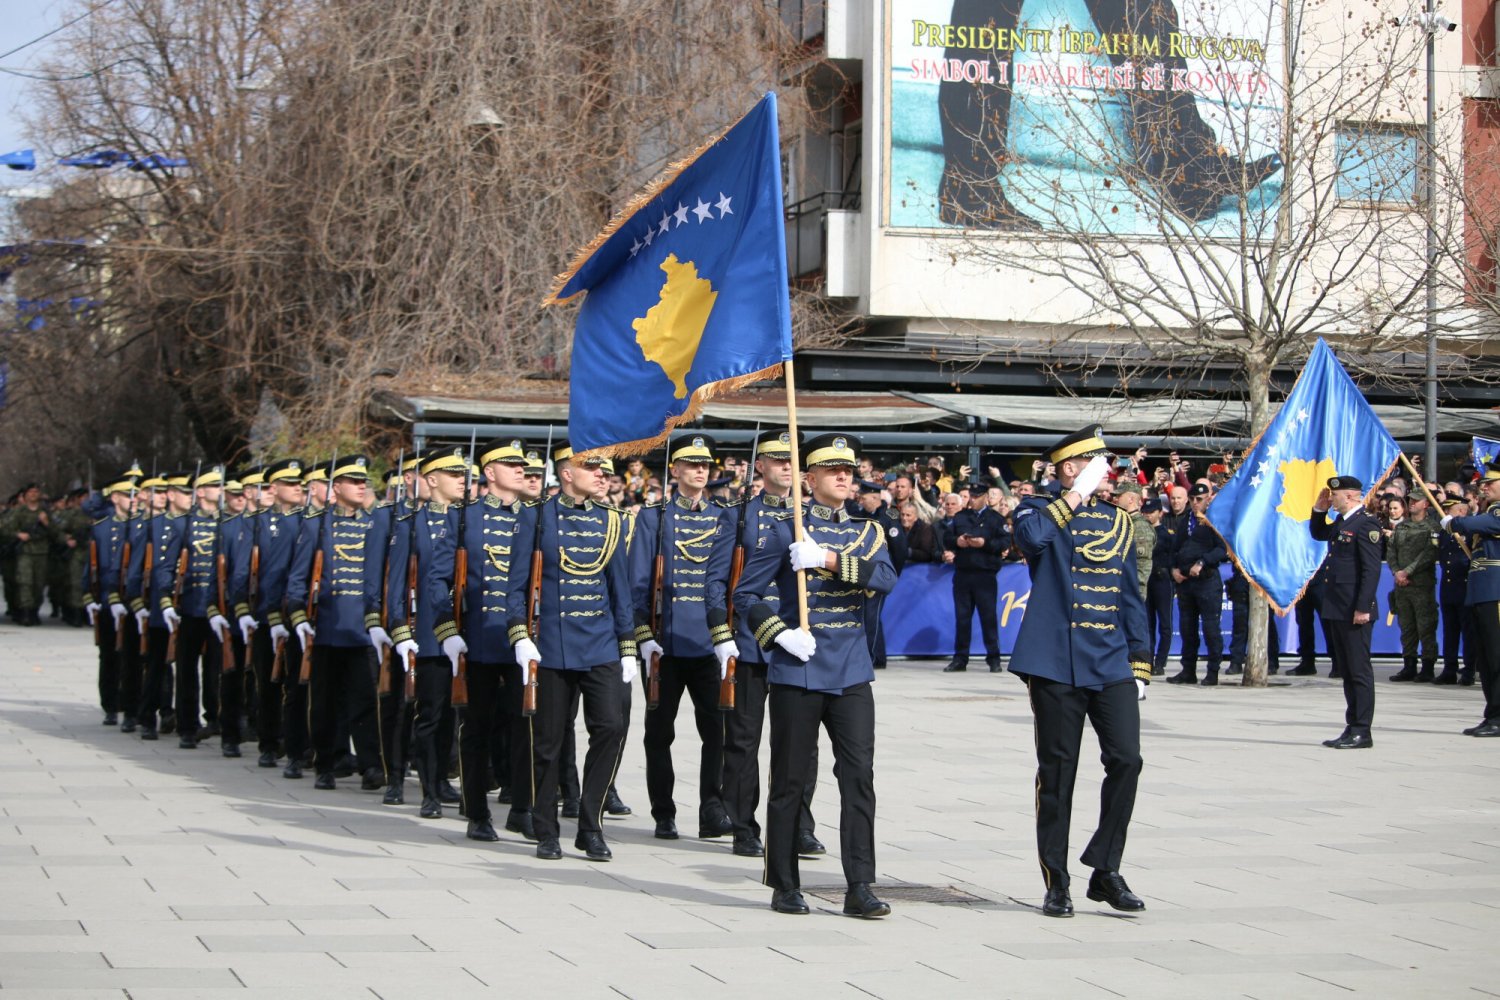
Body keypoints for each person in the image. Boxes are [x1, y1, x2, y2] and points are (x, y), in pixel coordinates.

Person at [734, 432, 898, 918]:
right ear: (810, 478)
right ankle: (784, 882)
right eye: (832, 469)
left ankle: (860, 885)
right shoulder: (787, 528)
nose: (845, 476)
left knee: (858, 779)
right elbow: (746, 595)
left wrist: (826, 559)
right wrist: (778, 634)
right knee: (789, 780)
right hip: (798, 668)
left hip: (849, 670)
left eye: (849, 470)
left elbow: (886, 578)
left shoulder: (870, 532)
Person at [1008, 424, 1150, 918]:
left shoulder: (1120, 522)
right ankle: (1057, 880)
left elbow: (1131, 594)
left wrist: (1140, 662)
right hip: (1054, 662)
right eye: (1095, 464)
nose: (1107, 472)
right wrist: (1073, 495)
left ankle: (1105, 869)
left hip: (1109, 659)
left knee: (1127, 760)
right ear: (1071, 467)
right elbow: (1031, 540)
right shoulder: (1036, 510)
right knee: (1058, 773)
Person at [505, 442, 636, 862]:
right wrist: (520, 635)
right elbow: (516, 586)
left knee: (611, 728)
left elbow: (620, 591)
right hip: (553, 646)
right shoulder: (536, 516)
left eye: (605, 469)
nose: (602, 475)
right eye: (593, 468)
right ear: (566, 472)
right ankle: (545, 827)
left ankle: (591, 823)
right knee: (547, 741)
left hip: (599, 644)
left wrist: (627, 646)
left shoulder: (612, 522)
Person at [714, 429, 824, 860]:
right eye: (777, 459)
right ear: (759, 466)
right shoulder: (740, 516)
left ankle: (800, 824)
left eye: (793, 460)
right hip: (753, 642)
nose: (786, 466)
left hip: (799, 644)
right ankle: (744, 825)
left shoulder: (812, 516)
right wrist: (722, 636)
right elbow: (719, 582)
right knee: (743, 739)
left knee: (801, 741)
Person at [630, 434, 736, 842]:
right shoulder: (654, 517)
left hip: (710, 642)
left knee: (718, 730)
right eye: (691, 464)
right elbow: (639, 582)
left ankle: (713, 809)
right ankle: (663, 812)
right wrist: (643, 636)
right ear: (674, 470)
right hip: (666, 642)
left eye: (705, 464)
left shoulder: (724, 517)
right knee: (659, 732)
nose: (699, 470)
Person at [285, 455, 386, 789]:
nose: (361, 487)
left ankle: (371, 765)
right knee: (325, 704)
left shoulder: (374, 524)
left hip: (362, 629)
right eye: (353, 482)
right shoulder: (316, 524)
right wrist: (300, 619)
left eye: (364, 482)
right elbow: (297, 580)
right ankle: (325, 763)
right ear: (336, 487)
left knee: (365, 701)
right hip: (327, 629)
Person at [1309, 475, 1383, 749]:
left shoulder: (1366, 524)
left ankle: (1363, 729)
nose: (1333, 498)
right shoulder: (1343, 522)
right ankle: (1352, 726)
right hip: (1338, 605)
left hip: (1354, 607)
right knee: (1347, 671)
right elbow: (1318, 533)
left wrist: (1363, 607)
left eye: (1336, 495)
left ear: (1351, 496)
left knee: (1358, 670)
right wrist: (1319, 510)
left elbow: (1371, 569)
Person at [1442, 468, 1500, 736]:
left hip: (1495, 593)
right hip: (1481, 592)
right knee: (1486, 659)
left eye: (1490, 483)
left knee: (1496, 657)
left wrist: (1455, 523)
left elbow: (1477, 524)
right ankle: (1492, 714)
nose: (1484, 487)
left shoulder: (1495, 514)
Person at [81, 472, 139, 726]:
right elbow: (91, 566)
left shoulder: (140, 526)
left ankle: (130, 707)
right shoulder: (101, 528)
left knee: (132, 656)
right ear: (115, 498)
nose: (134, 500)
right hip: (106, 599)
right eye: (128, 495)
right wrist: (89, 596)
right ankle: (110, 705)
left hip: (132, 601)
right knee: (108, 655)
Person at [941, 480, 1010, 672]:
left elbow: (1004, 542)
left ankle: (993, 658)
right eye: (971, 496)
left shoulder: (995, 519)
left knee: (988, 617)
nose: (973, 500)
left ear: (986, 497)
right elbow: (946, 537)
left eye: (977, 496)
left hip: (985, 574)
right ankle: (960, 658)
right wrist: (957, 542)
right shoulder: (961, 517)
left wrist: (985, 543)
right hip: (964, 572)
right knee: (962, 618)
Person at [1166, 483, 1227, 686]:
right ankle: (1188, 670)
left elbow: (1222, 549)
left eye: (1199, 499)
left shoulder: (1214, 520)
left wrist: (1203, 562)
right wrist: (1174, 569)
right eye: (1192, 499)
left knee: (1211, 628)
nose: (1194, 503)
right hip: (1186, 583)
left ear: (1208, 499)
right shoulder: (1186, 521)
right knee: (1187, 628)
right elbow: (1175, 549)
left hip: (1207, 581)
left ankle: (1213, 671)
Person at [1384, 494, 1440, 683]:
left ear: (1426, 504)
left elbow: (1428, 554)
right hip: (1402, 586)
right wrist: (1396, 572)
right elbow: (1391, 551)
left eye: (1416, 500)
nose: (1412, 503)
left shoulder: (1432, 527)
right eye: (1410, 500)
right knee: (1406, 627)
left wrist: (1407, 572)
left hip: (1421, 585)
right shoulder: (1402, 527)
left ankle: (1428, 665)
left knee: (1425, 626)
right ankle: (1409, 664)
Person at [854, 480, 908, 669]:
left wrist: (891, 573)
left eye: (865, 497)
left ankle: (873, 657)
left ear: (875, 497)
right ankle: (872, 655)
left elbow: (899, 548)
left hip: (877, 574)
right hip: (861, 573)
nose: (861, 500)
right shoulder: (859, 515)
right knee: (863, 615)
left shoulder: (888, 515)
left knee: (871, 616)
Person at [1435, 497, 1474, 686]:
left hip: (1465, 586)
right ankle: (1449, 668)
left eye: (1449, 510)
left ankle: (1469, 670)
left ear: (1461, 512)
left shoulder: (1470, 530)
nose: (1445, 512)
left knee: (1468, 632)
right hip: (1448, 587)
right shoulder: (1446, 532)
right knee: (1450, 631)